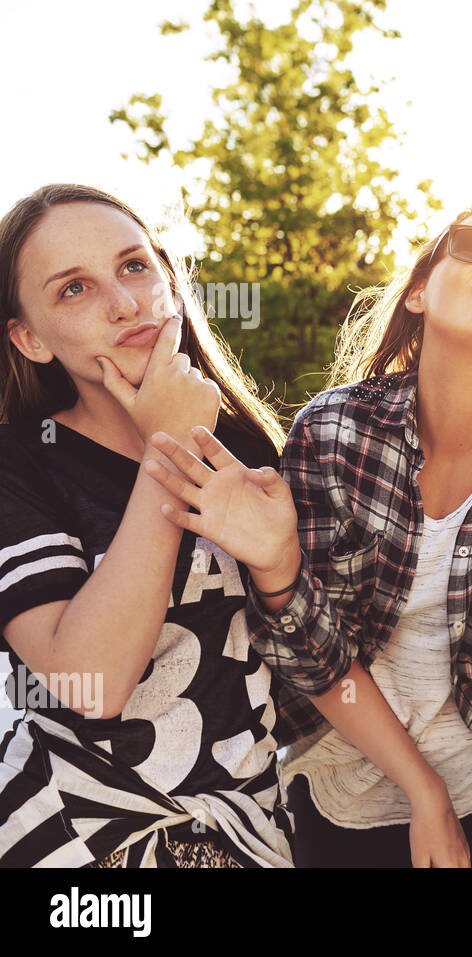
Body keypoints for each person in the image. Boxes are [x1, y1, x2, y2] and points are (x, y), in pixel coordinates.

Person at [144, 201, 472, 867]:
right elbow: (308, 654)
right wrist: (425, 794)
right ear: (420, 290)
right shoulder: (333, 432)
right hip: (338, 781)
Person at [0, 184, 292, 867]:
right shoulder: (19, 462)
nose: (124, 302)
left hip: (246, 829)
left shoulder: (247, 449)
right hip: (70, 836)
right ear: (30, 338)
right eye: (74, 288)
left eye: (134, 266)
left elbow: (300, 652)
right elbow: (90, 684)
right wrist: (166, 451)